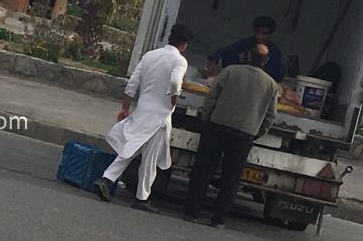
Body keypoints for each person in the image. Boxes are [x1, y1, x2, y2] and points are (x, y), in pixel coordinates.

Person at [94, 23, 193, 213]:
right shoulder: (180, 61)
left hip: (142, 111)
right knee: (149, 159)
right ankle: (141, 197)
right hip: (160, 117)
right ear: (184, 44)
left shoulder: (150, 55)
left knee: (131, 148)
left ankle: (107, 179)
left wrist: (125, 108)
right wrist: (174, 98)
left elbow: (132, 83)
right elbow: (175, 81)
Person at [184, 43, 279, 228]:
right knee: (231, 178)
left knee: (203, 170)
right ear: (266, 61)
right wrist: (257, 132)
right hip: (244, 134)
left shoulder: (230, 71)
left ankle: (192, 212)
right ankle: (218, 219)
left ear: (247, 56)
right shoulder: (271, 84)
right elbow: (271, 116)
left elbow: (212, 96)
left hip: (217, 127)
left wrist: (207, 118)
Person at [205, 15, 285, 82]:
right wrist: (213, 61)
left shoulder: (275, 52)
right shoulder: (248, 42)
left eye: (264, 34)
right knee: (229, 55)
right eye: (258, 33)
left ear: (270, 34)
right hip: (243, 74)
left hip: (262, 79)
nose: (260, 36)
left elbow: (273, 73)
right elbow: (227, 50)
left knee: (281, 69)